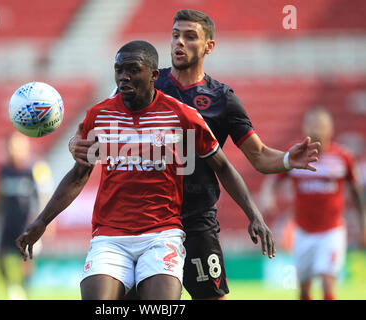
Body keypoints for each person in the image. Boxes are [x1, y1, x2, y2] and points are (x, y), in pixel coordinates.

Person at [68, 10, 320, 300]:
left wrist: (288, 160)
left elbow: (259, 156)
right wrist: (76, 143)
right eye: (176, 35)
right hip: (143, 222)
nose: (179, 42)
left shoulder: (222, 100)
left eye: (189, 37)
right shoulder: (145, 81)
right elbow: (104, 125)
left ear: (208, 46)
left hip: (196, 219)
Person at [16, 40, 275, 300]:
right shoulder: (99, 115)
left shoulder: (182, 116)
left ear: (153, 75)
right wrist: (41, 221)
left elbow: (223, 167)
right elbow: (78, 176)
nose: (124, 77)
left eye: (133, 70)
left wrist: (255, 215)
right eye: (119, 70)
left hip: (161, 236)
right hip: (110, 237)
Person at [260, 107, 365, 300]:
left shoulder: (343, 157)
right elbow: (273, 179)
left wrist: (363, 225)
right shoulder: (296, 156)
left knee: (327, 282)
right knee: (304, 289)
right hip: (303, 232)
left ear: (330, 128)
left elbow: (357, 194)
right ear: (305, 127)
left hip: (331, 231)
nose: (317, 129)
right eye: (313, 124)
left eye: (322, 125)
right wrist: (268, 197)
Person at [0, 132, 40, 299]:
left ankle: (25, 289)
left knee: (26, 259)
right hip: (7, 221)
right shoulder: (3, 171)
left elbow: (40, 196)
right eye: (12, 146)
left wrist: (42, 222)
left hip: (25, 223)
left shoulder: (32, 170)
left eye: (19, 145)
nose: (15, 149)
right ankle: (11, 287)